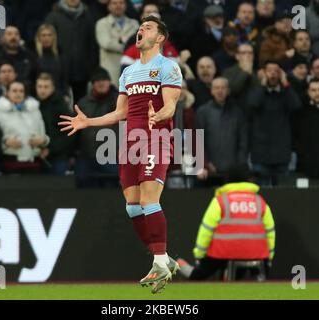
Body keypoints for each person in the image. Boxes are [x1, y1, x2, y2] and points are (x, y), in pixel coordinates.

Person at [58, 15, 182, 294]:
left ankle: (160, 262)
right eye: (140, 27)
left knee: (150, 200)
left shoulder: (168, 67)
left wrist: (157, 115)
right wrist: (88, 121)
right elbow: (121, 112)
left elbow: (171, 107)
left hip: (156, 139)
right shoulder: (128, 72)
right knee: (132, 206)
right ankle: (162, 258)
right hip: (131, 144)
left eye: (148, 28)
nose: (141, 30)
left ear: (160, 38)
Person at [177, 166, 275, 281]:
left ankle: (178, 265)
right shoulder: (260, 201)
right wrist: (269, 258)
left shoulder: (220, 201)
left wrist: (199, 255)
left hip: (223, 253)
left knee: (199, 274)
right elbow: (270, 232)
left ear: (227, 181)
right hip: (256, 254)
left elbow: (206, 230)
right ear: (248, 181)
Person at [247, 61, 302, 186]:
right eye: (269, 71)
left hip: (282, 154)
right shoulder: (256, 91)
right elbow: (252, 105)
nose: (273, 74)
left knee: (284, 196)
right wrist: (262, 86)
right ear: (264, 73)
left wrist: (286, 84)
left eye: (276, 71)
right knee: (262, 194)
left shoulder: (285, 93)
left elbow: (296, 106)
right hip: (260, 153)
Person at [196, 77, 248, 182]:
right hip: (209, 170)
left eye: (223, 88)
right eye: (216, 88)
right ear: (211, 91)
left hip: (233, 172)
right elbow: (197, 140)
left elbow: (243, 141)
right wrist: (205, 163)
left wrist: (238, 165)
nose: (220, 91)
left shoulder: (238, 112)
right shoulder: (203, 112)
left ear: (228, 91)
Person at [74, 67, 120, 187]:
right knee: (82, 187)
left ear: (109, 82)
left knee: (112, 188)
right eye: (97, 80)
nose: (101, 83)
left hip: (112, 156)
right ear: (92, 84)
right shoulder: (83, 103)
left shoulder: (120, 101)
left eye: (104, 79)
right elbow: (75, 130)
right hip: (87, 155)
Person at [0, 81, 49, 174]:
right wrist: (5, 142)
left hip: (34, 162)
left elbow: (43, 134)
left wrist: (43, 141)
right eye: (14, 91)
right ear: (7, 93)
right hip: (10, 162)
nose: (18, 94)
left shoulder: (35, 111)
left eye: (21, 91)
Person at [35, 73, 73, 175]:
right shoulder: (33, 105)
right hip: (38, 155)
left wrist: (50, 149)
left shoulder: (60, 106)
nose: (42, 90)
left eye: (46, 87)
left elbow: (70, 133)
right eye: (40, 86)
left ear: (53, 88)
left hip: (58, 156)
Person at [95, 0, 139, 86]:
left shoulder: (135, 24)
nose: (118, 5)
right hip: (111, 70)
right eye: (114, 3)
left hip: (131, 69)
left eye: (121, 3)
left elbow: (138, 43)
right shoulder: (101, 23)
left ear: (126, 5)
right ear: (108, 6)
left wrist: (119, 41)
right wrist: (128, 44)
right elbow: (106, 43)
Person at [34, 23, 68, 95]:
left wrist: (65, 94)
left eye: (49, 35)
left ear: (54, 37)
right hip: (38, 94)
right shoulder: (33, 55)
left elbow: (64, 78)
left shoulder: (60, 55)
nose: (47, 38)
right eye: (43, 35)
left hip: (58, 94)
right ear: (39, 37)